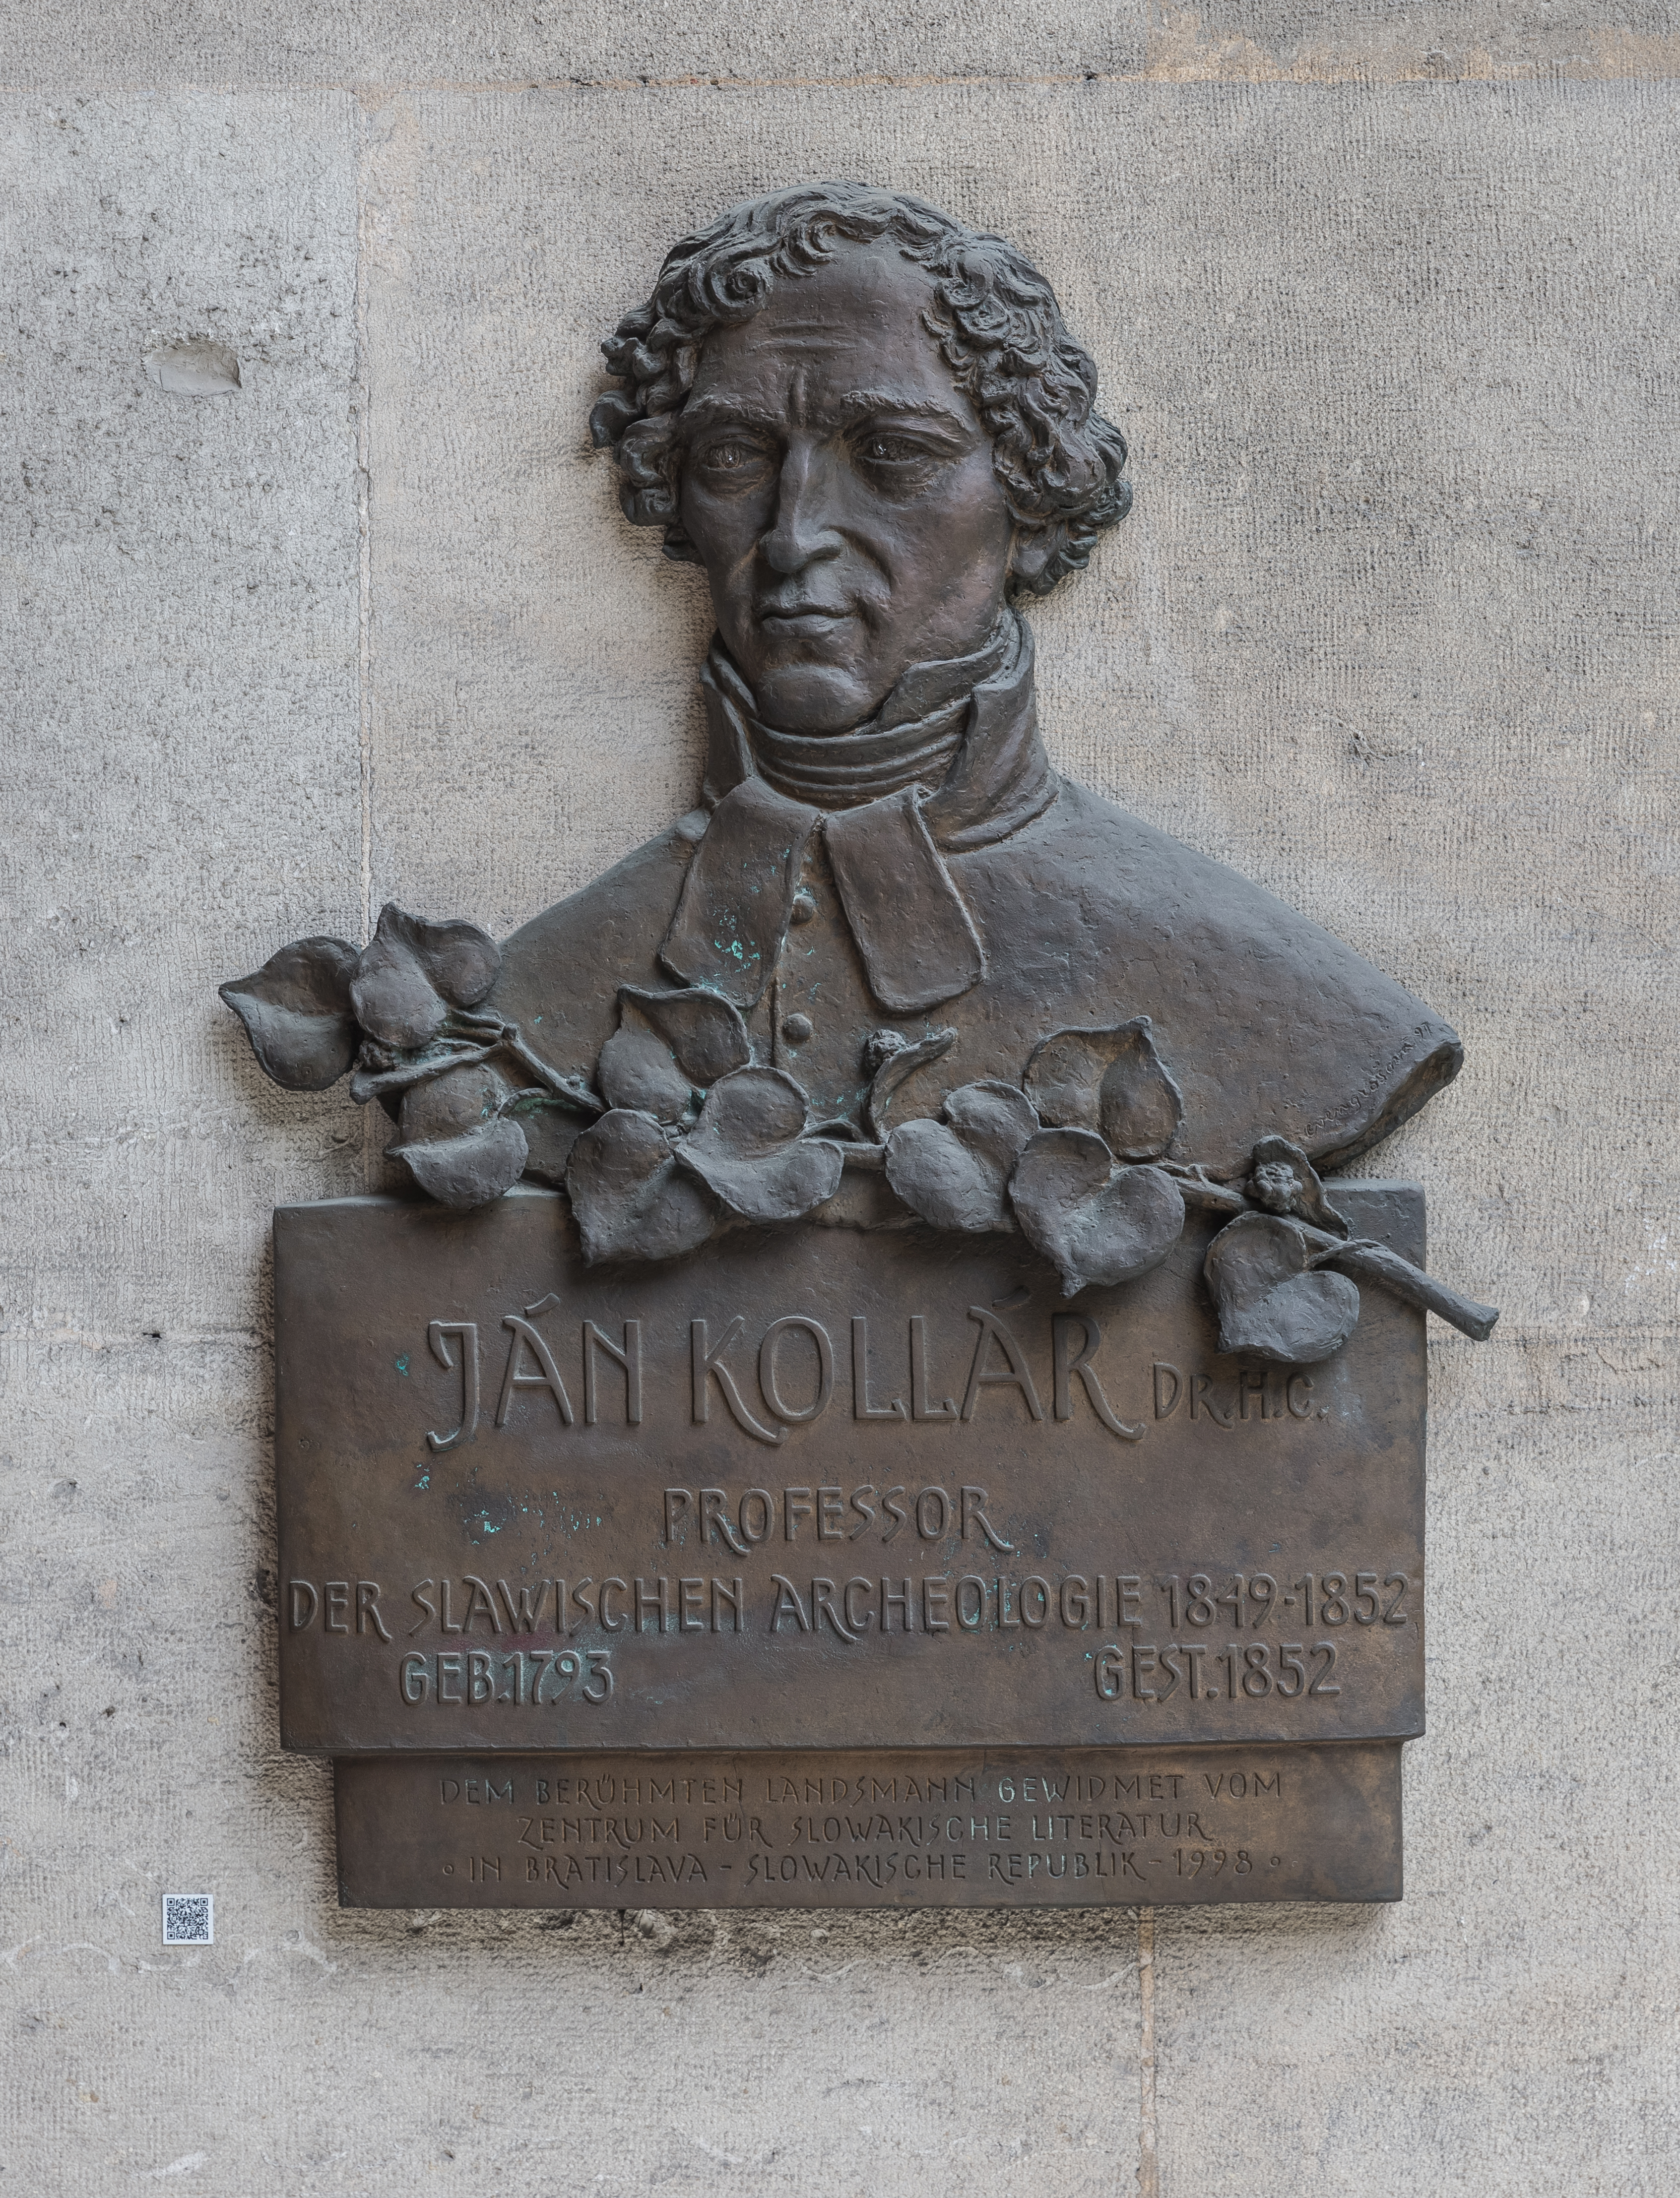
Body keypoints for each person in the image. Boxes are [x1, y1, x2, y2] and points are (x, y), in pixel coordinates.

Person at [489, 181, 1460, 1220]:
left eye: (893, 457)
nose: (792, 534)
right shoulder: (513, 1021)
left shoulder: (1285, 1013)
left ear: (1029, 500)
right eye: (732, 459)